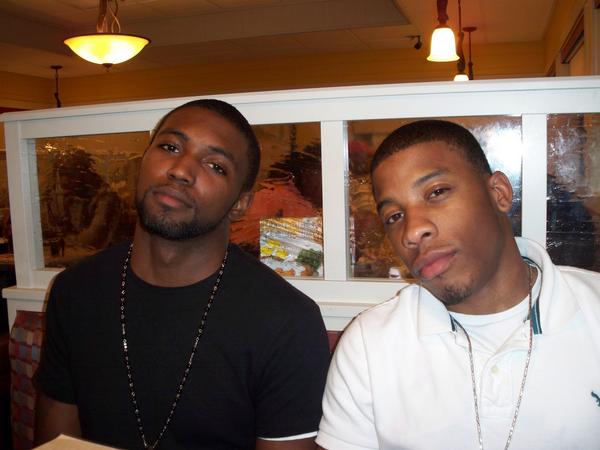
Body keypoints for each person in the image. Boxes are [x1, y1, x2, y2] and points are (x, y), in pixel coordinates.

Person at [34, 99, 330, 450]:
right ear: (142, 162)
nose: (180, 170)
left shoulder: (287, 322)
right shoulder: (75, 291)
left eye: (216, 166)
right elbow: (58, 439)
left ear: (240, 204)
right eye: (170, 147)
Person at [317, 120, 600, 449]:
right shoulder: (369, 345)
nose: (412, 232)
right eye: (394, 216)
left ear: (498, 194)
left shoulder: (592, 311)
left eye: (436, 193)